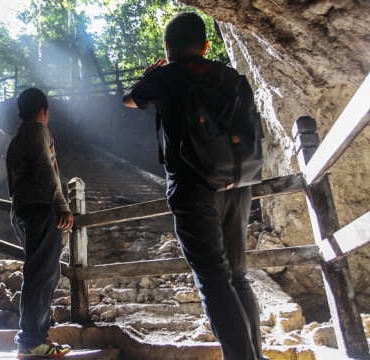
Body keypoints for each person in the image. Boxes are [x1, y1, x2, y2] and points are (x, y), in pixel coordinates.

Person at [123, 12, 268, 360]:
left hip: (192, 187)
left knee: (213, 278)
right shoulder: (230, 76)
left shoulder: (165, 76)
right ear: (205, 45)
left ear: (168, 48)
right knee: (236, 276)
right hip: (237, 183)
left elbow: (129, 99)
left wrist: (150, 76)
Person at [6, 87, 73, 359]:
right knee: (41, 274)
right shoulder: (37, 131)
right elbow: (46, 170)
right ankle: (31, 340)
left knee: (45, 272)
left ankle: (37, 337)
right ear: (44, 110)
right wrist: (61, 204)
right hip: (40, 208)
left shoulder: (17, 138)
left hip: (22, 209)